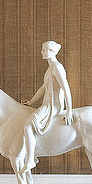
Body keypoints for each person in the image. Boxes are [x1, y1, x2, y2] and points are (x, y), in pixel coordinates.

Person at [22, 41, 74, 170]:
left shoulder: (57, 67)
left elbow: (66, 88)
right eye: (42, 49)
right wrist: (31, 102)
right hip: (47, 105)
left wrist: (69, 111)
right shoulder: (50, 68)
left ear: (52, 51)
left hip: (52, 106)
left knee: (28, 126)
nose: (42, 52)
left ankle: (30, 160)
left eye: (44, 49)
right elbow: (43, 89)